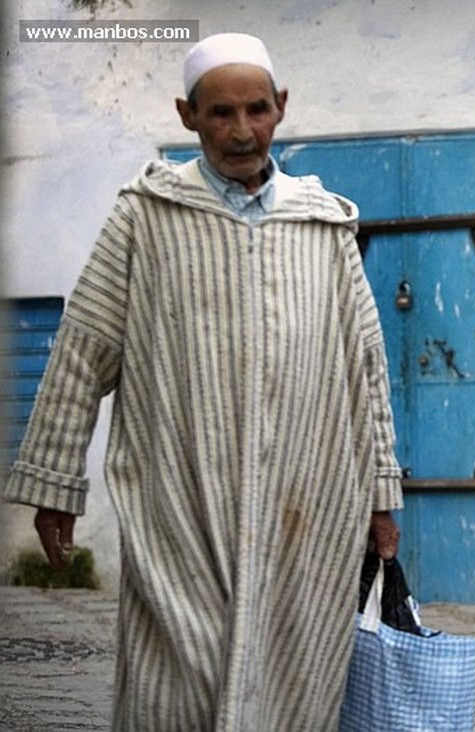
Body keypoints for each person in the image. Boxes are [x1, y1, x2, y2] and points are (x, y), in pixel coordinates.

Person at [2, 32, 404, 730]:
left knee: (296, 682)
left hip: (305, 507)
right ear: (187, 116)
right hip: (180, 507)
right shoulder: (145, 217)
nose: (241, 131)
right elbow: (81, 349)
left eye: (256, 110)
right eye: (220, 113)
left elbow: (364, 366)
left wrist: (380, 496)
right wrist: (53, 483)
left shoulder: (323, 226)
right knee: (173, 688)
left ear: (280, 108)